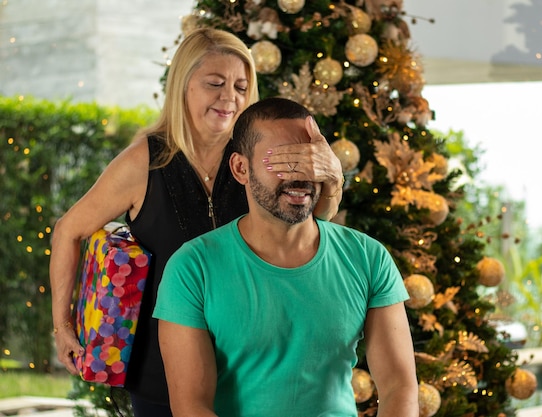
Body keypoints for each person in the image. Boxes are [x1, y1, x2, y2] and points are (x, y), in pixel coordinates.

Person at [49, 28, 344, 417]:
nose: (230, 98)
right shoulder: (144, 162)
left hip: (250, 364)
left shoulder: (254, 158)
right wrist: (63, 324)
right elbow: (68, 230)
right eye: (215, 84)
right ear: (183, 86)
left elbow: (310, 223)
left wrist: (333, 182)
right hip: (160, 371)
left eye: (241, 86)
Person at [153, 97, 419, 417]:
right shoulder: (192, 268)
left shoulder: (368, 257)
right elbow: (191, 406)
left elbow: (399, 387)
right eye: (281, 161)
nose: (300, 175)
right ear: (241, 168)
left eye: (309, 160)